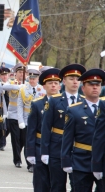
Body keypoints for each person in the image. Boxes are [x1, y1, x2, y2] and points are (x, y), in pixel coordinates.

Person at [40, 63, 86, 191]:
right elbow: (46, 127)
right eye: (71, 79)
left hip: (77, 150)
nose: (75, 82)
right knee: (57, 186)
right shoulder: (54, 101)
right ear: (64, 81)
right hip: (57, 149)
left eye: (77, 79)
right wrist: (44, 151)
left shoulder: (84, 101)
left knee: (78, 186)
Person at [61, 68, 104, 192]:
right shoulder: (74, 110)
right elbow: (67, 137)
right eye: (91, 84)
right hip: (81, 161)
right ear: (83, 88)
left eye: (98, 85)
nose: (95, 87)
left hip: (102, 160)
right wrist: (66, 161)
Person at [26, 68, 61, 191]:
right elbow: (31, 130)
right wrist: (29, 152)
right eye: (50, 83)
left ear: (60, 86)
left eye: (56, 83)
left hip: (58, 147)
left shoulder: (65, 104)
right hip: (39, 146)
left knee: (57, 183)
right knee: (41, 183)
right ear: (44, 86)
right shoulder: (37, 104)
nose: (53, 86)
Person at [17, 69, 46, 172]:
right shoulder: (23, 89)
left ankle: (38, 160)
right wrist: (20, 120)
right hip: (26, 118)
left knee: (38, 141)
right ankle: (30, 164)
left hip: (40, 119)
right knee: (28, 141)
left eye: (34, 78)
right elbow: (20, 105)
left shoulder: (43, 89)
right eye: (30, 78)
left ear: (38, 79)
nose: (32, 80)